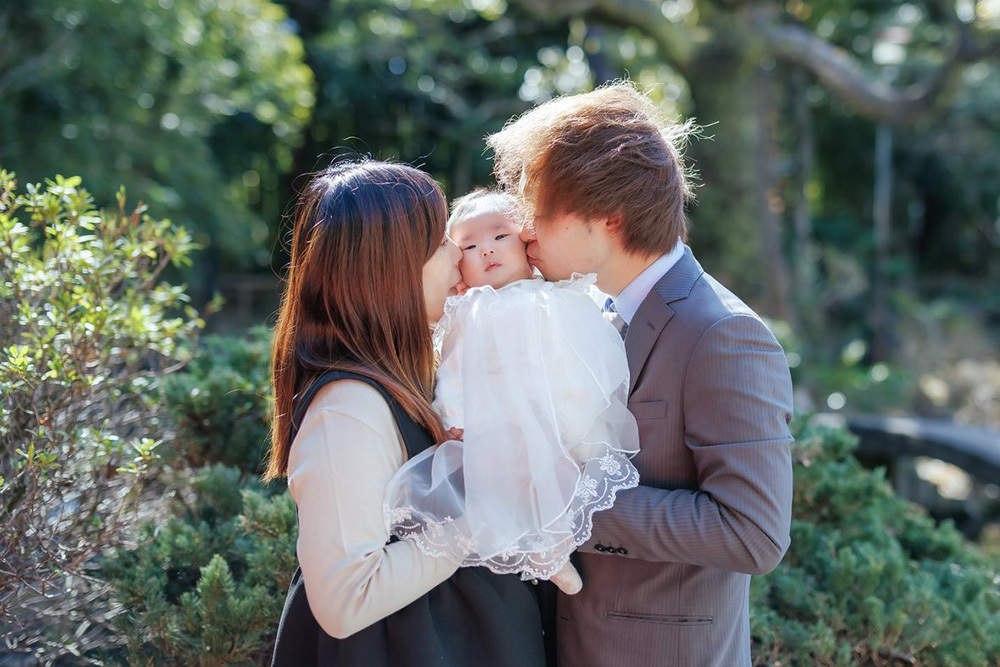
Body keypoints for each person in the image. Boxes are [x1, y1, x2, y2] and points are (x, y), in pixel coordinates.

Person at [486, 82, 795, 667]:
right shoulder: (588, 311)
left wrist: (567, 499)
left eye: (539, 213)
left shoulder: (724, 335)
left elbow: (753, 533)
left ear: (608, 217)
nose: (524, 231)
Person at [265, 160, 547, 666]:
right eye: (440, 243)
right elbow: (345, 601)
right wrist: (484, 515)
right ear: (392, 269)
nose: (458, 255)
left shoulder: (409, 378)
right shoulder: (347, 411)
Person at [384, 189, 640, 597]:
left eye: (500, 236)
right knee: (507, 484)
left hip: (561, 411)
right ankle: (546, 553)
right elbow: (455, 371)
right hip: (501, 422)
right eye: (469, 246)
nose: (487, 250)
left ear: (527, 242)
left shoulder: (558, 294)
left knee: (567, 475)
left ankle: (556, 539)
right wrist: (453, 417)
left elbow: (582, 350)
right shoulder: (471, 310)